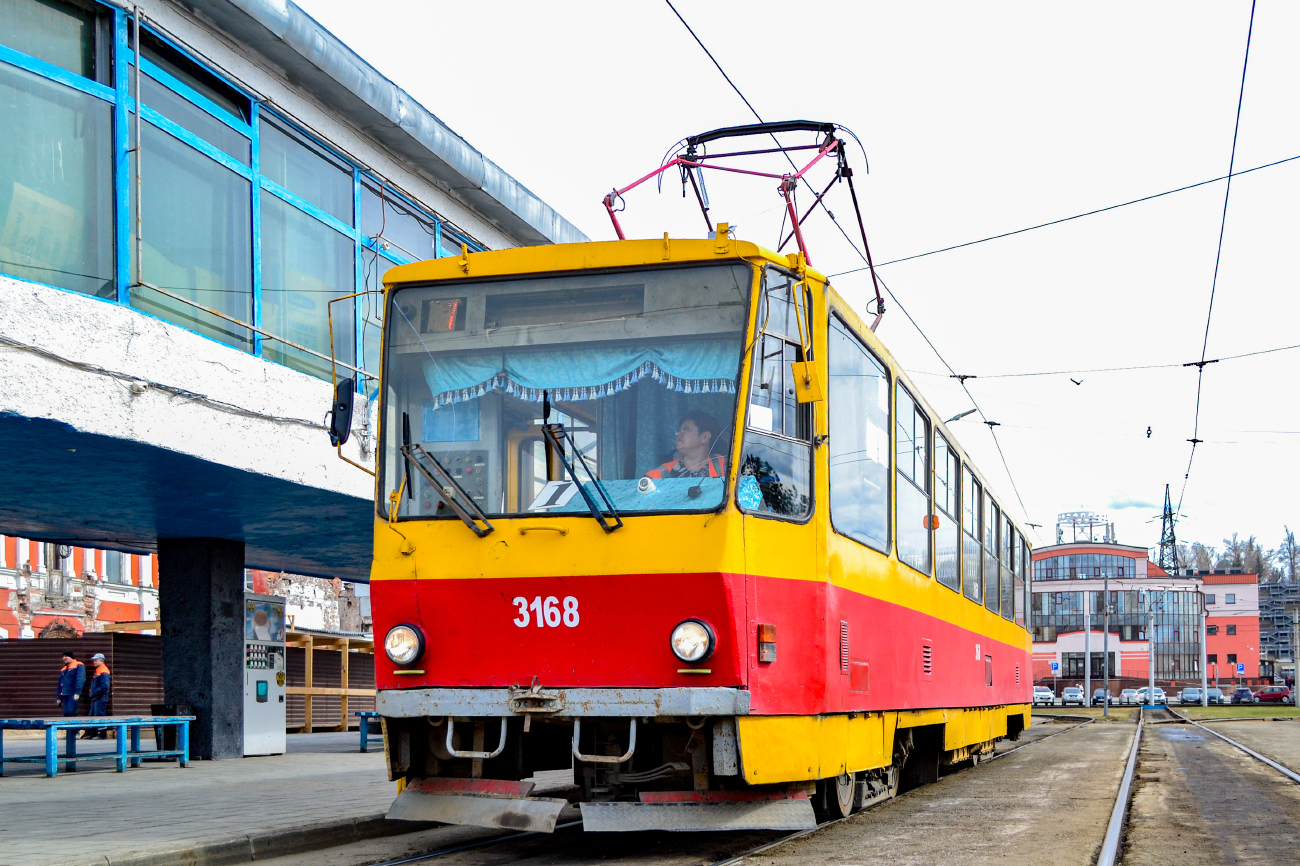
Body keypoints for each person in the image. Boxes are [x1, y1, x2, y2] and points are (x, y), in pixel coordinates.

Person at [644, 411, 726, 479]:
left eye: (686, 429)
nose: (679, 434)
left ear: (705, 437)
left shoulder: (726, 467)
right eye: (679, 430)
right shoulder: (660, 474)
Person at [86, 653, 112, 738]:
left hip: (100, 697)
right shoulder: (98, 670)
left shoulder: (103, 671)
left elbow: (104, 686)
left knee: (99, 715)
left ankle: (102, 734)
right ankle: (93, 733)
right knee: (93, 715)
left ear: (101, 660)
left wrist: (94, 693)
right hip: (96, 697)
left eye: (96, 660)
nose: (94, 661)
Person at [56, 651, 85, 718]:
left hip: (73, 693)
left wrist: (77, 692)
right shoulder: (64, 669)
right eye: (63, 656)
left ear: (71, 657)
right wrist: (59, 696)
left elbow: (80, 679)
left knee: (72, 712)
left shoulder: (78, 665)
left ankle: (74, 728)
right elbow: (60, 683)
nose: (64, 658)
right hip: (65, 694)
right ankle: (68, 728)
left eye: (66, 656)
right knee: (66, 713)